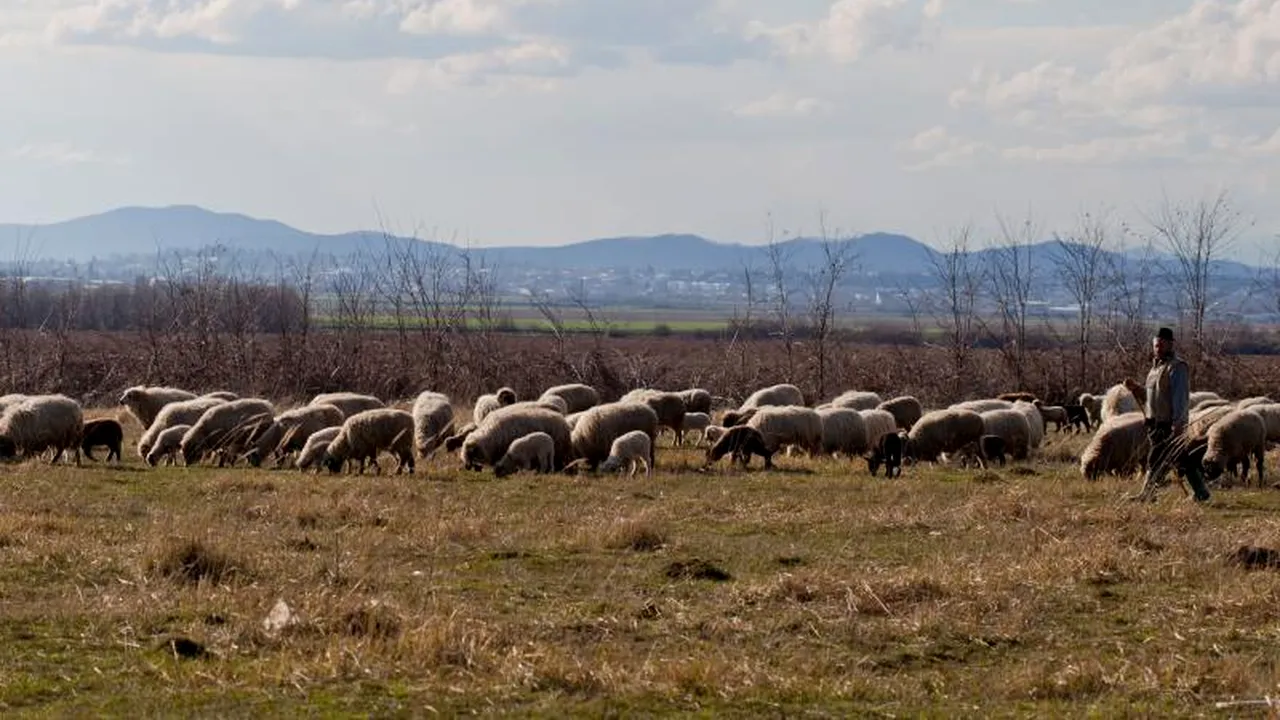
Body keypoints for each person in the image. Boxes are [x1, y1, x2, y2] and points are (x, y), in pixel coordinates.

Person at [1128, 327, 1210, 503]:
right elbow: (1154, 396)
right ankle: (1201, 493)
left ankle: (1147, 494)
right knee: (1182, 459)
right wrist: (1137, 389)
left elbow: (1180, 397)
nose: (1158, 346)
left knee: (1155, 458)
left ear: (1170, 344)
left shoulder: (1177, 367)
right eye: (1156, 344)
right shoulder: (1155, 369)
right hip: (1154, 424)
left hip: (1168, 424)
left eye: (1162, 343)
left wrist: (1179, 423)